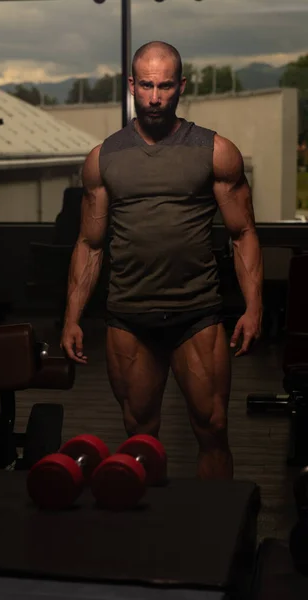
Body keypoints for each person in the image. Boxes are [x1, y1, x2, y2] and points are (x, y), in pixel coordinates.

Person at [60, 41, 263, 480]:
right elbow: (90, 244)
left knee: (213, 428)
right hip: (129, 316)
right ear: (131, 85)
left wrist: (253, 306)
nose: (155, 97)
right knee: (139, 437)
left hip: (198, 313)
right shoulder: (103, 158)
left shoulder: (215, 151)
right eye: (147, 85)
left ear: (181, 87)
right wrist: (71, 317)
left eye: (165, 86)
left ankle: (213, 538)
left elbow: (242, 232)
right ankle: (149, 542)